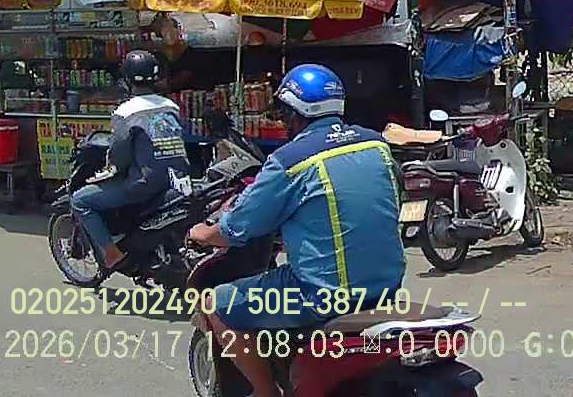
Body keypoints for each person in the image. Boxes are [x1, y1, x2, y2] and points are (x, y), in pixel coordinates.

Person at [188, 64, 405, 397]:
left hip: (322, 296)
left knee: (216, 304)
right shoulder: (376, 145)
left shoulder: (291, 160)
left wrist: (203, 233)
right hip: (385, 287)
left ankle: (265, 392)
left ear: (294, 114)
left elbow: (239, 225)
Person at [70, 50, 191, 268]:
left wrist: (109, 169)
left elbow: (119, 156)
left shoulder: (126, 112)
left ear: (126, 79)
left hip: (146, 184)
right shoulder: (170, 106)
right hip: (178, 179)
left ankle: (111, 254)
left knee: (80, 201)